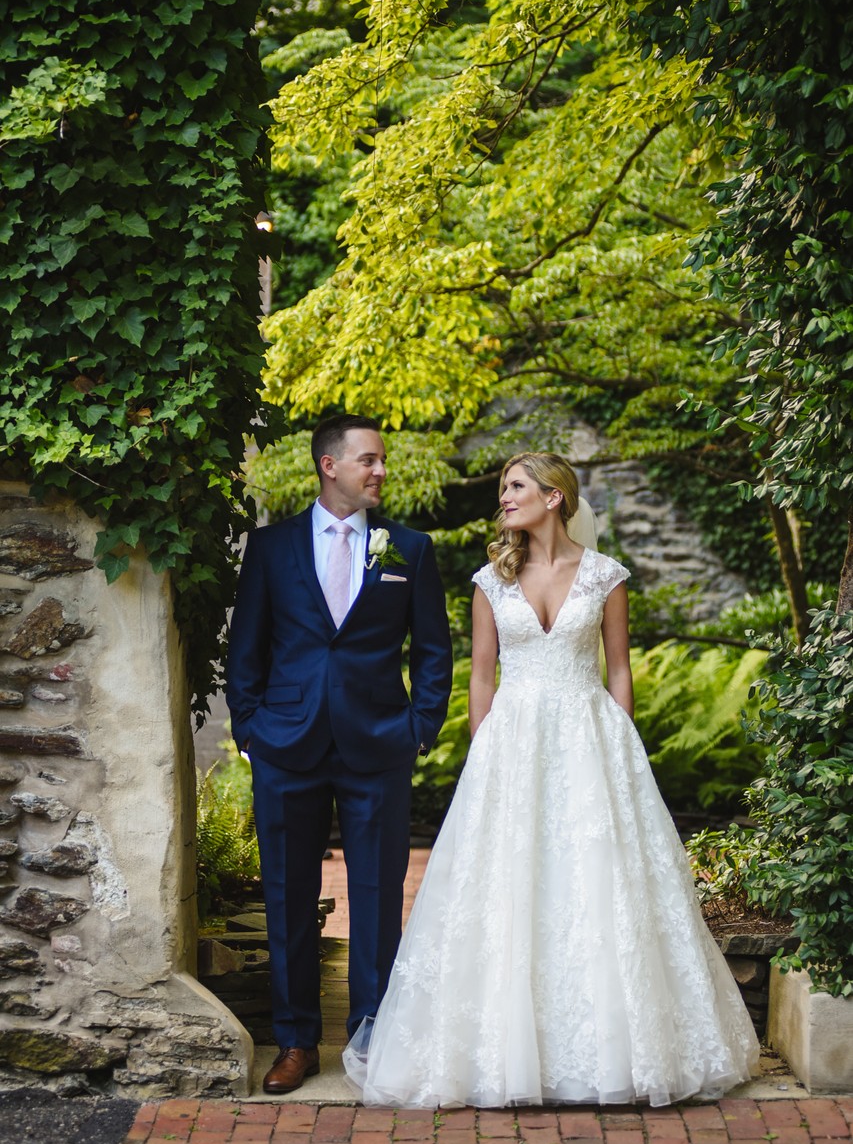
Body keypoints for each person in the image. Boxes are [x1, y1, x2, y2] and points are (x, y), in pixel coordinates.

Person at [344, 452, 759, 1108]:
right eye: (504, 489)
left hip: (588, 739)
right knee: (508, 888)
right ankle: (503, 1056)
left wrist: (621, 749)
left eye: (514, 488)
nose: (503, 498)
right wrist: (481, 755)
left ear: (554, 497)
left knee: (595, 890)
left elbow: (617, 669)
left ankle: (610, 1053)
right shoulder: (490, 580)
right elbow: (482, 675)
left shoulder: (604, 577)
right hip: (511, 746)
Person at [225, 413, 453, 1094]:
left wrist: (420, 727)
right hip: (285, 744)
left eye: (381, 460)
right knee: (288, 895)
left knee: (379, 896)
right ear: (330, 465)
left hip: (378, 744)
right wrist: (249, 729)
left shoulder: (408, 549)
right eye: (369, 460)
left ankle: (370, 1039)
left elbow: (434, 650)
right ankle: (295, 1042)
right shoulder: (270, 549)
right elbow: (247, 649)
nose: (380, 470)